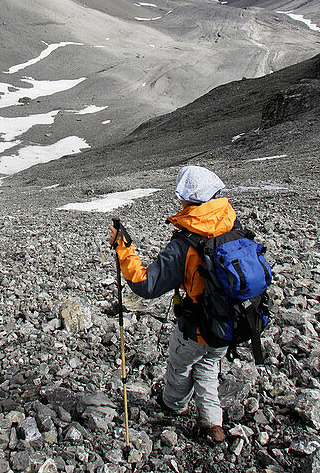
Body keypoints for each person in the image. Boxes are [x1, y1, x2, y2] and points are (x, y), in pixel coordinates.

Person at [108, 165, 239, 444]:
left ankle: (172, 405)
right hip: (229, 321)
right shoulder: (231, 224)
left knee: (180, 364)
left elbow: (146, 285)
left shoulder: (186, 243)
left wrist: (123, 249)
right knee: (207, 366)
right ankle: (213, 424)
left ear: (187, 199)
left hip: (195, 324)